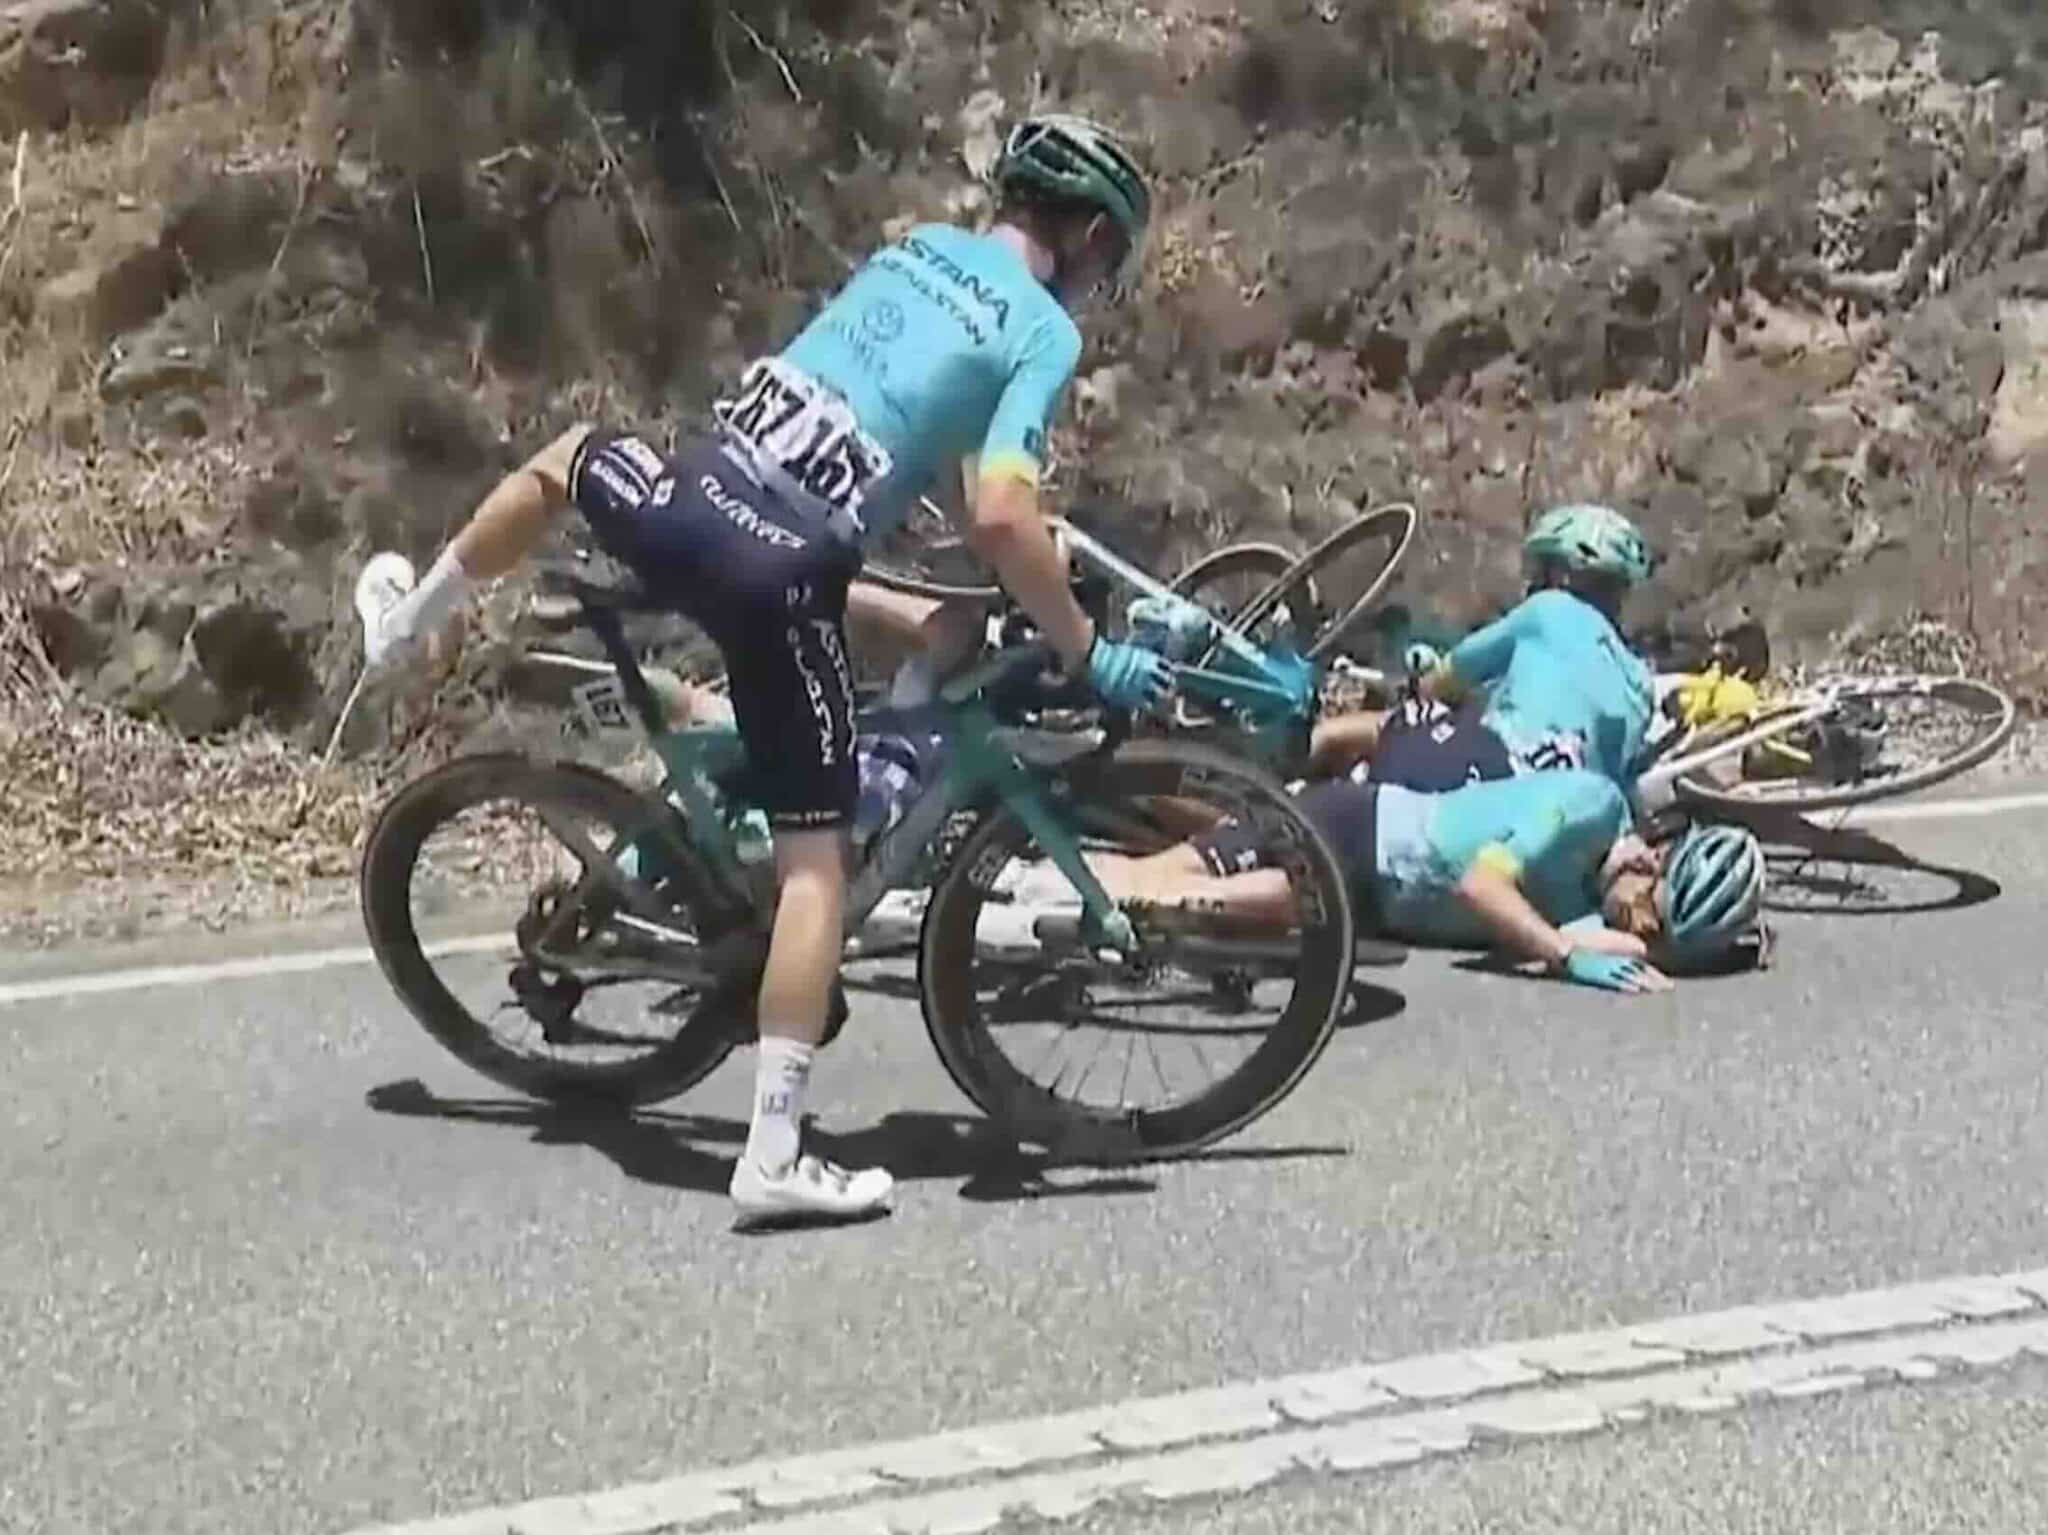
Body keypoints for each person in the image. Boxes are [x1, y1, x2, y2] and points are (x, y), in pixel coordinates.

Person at [353, 114, 1169, 1227]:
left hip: (697, 493)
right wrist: (1082, 643)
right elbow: (996, 508)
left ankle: (406, 621)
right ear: (1082, 232)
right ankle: (776, 1151)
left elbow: (931, 434)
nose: (1098, 281)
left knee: (567, 459)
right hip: (778, 568)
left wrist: (996, 543)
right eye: (1106, 257)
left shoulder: (917, 249)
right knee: (815, 866)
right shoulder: (1042, 329)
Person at [1099, 768, 1767, 993]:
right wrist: (1565, 955)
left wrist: (1684, 948)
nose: (1633, 928)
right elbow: (1480, 886)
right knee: (1166, 878)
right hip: (1361, 828)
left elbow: (1625, 948)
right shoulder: (1588, 807)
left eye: (1650, 932)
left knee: (1204, 914)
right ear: (1648, 860)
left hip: (1370, 896)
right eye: (1644, 914)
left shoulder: (1599, 900)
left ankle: (1054, 900)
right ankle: (1031, 882)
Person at [1306, 503, 1657, 798]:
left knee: (1366, 732)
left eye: (1541, 568)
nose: (1532, 581)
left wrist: (1420, 680)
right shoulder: (1642, 685)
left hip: (1493, 771)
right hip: (1564, 810)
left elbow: (1442, 683)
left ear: (1563, 575)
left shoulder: (1549, 609)